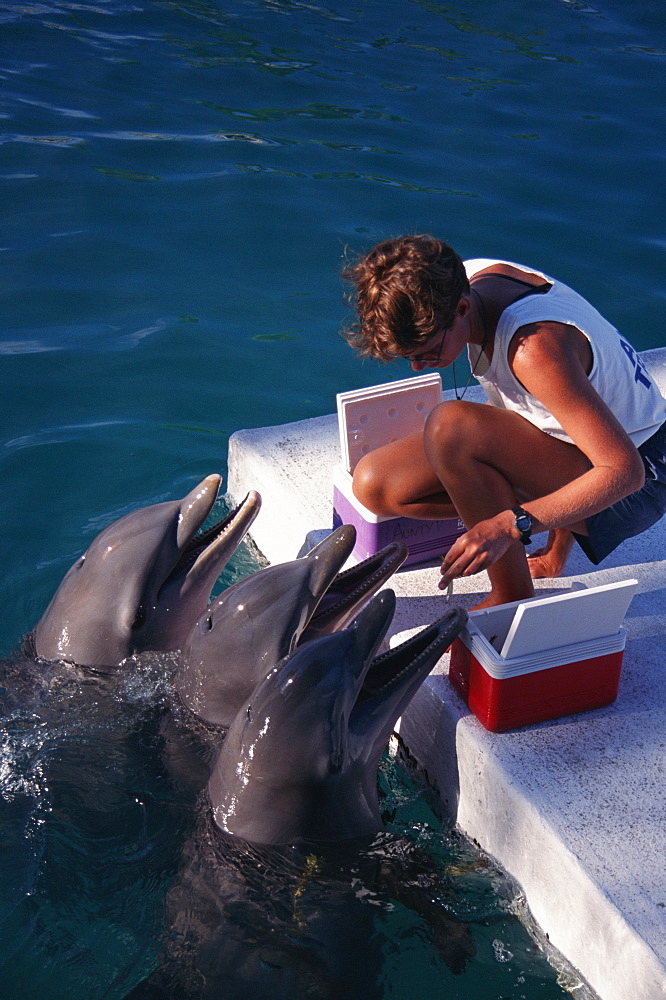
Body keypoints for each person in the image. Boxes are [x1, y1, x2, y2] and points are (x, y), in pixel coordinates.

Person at [342, 235, 666, 608]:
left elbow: (624, 471)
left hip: (639, 484)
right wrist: (551, 549)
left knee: (452, 428)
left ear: (462, 309)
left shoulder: (533, 351)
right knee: (377, 485)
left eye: (428, 351)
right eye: (409, 356)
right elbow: (556, 421)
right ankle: (497, 503)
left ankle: (511, 594)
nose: (418, 366)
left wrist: (510, 525)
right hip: (595, 448)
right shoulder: (464, 278)